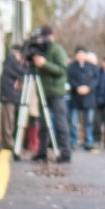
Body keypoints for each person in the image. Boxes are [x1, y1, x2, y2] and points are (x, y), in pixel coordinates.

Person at [31, 25, 71, 163]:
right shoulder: (40, 50)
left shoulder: (57, 50)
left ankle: (65, 152)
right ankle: (42, 151)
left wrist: (44, 64)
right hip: (43, 91)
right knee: (43, 123)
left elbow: (62, 69)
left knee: (60, 122)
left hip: (57, 92)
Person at [66, 46, 99, 152]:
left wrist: (88, 88)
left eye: (82, 54)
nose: (80, 56)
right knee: (74, 121)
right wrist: (77, 87)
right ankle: (73, 141)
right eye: (78, 54)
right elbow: (69, 79)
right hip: (76, 97)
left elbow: (96, 79)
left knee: (89, 121)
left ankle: (89, 141)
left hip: (89, 98)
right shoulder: (71, 67)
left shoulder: (92, 67)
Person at [0, 45, 24, 153]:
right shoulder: (11, 60)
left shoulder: (10, 61)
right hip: (9, 94)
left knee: (9, 119)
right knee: (8, 119)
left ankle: (8, 141)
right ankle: (8, 142)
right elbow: (21, 71)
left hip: (9, 94)